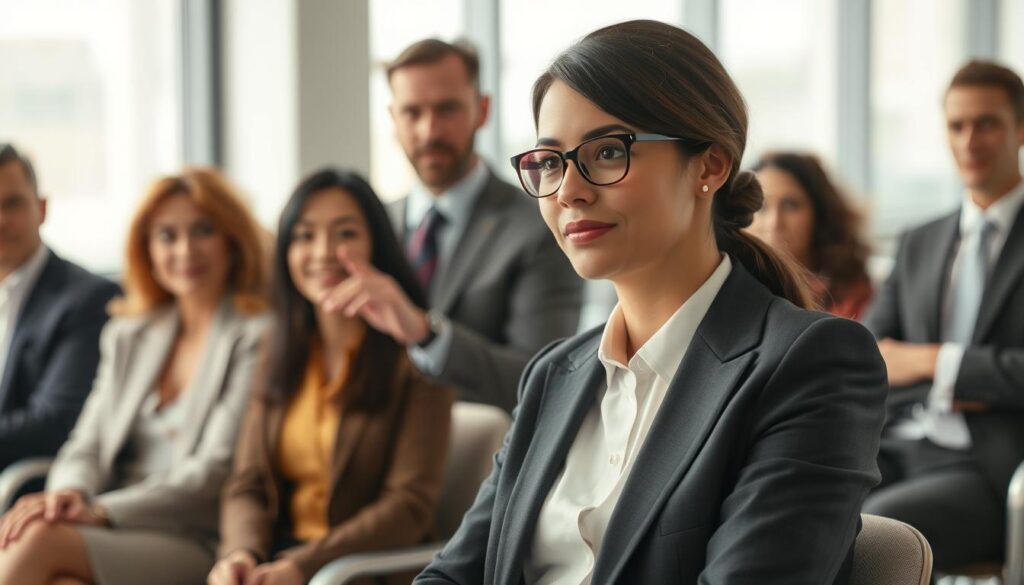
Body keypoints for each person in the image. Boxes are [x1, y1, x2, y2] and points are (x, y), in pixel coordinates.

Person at [416, 20, 887, 585]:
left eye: (608, 151)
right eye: (550, 160)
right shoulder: (553, 376)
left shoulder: (810, 363)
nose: (568, 190)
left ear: (710, 165)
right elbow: (455, 574)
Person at [0, 167, 269, 584]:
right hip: (107, 524)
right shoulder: (131, 333)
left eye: (203, 230)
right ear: (147, 249)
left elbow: (216, 470)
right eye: (167, 236)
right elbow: (85, 442)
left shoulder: (256, 335)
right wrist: (67, 494)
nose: (185, 250)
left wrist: (103, 512)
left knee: (36, 539)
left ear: (232, 240)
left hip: (191, 532)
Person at [210, 169, 454, 585]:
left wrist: (303, 567)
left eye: (345, 234)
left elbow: (408, 507)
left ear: (376, 244)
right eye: (304, 236)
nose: (322, 252)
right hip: (275, 563)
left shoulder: (418, 355)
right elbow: (247, 482)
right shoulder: (277, 346)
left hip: (362, 570)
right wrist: (240, 553)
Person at [862, 60, 1024, 573]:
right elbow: (868, 355)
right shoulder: (919, 241)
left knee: (876, 535)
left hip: (987, 466)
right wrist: (976, 372)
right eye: (957, 125)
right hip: (897, 443)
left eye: (987, 123)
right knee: (794, 507)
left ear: (1020, 129)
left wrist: (935, 362)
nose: (969, 140)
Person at [367, 38, 582, 413]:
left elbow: (544, 378)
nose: (430, 131)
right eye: (412, 113)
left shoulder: (538, 227)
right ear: (393, 118)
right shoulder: (372, 224)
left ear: (482, 110)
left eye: (447, 109)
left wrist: (428, 335)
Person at [0, 143, 120, 471]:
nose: (1, 221)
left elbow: (53, 423)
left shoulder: (89, 299)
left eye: (12, 204)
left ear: (42, 208)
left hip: (27, 486)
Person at [748, 151, 874, 319]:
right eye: (760, 206)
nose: (774, 223)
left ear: (821, 213)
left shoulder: (854, 292)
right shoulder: (727, 285)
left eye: (790, 205)